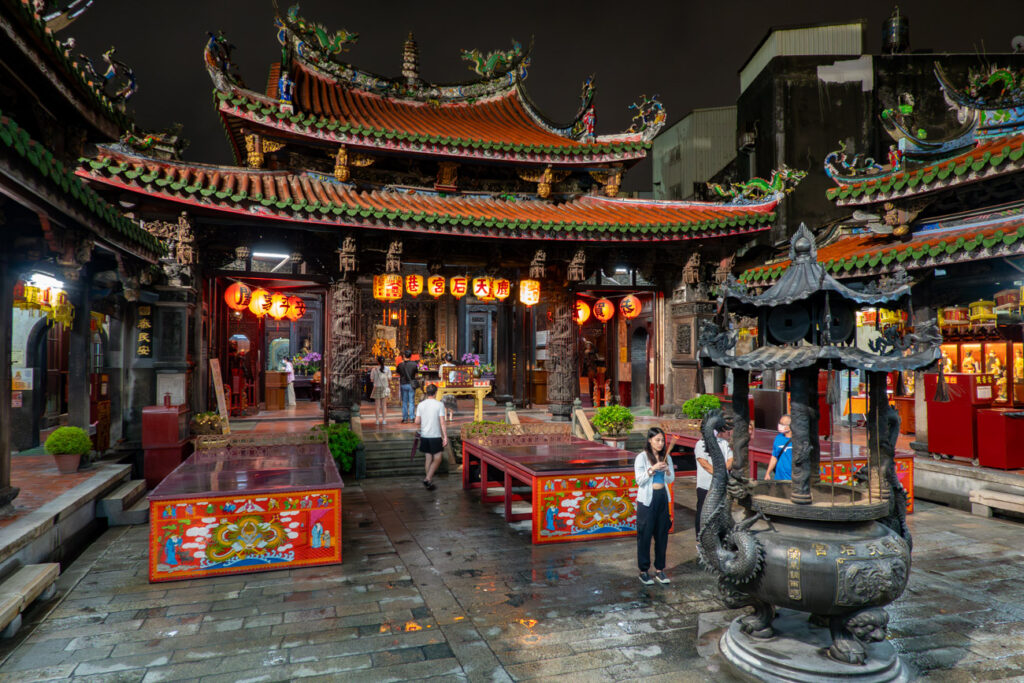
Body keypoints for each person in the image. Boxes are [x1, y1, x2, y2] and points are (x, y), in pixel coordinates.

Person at [634, 427, 676, 585]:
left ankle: (660, 570)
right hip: (647, 500)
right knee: (644, 535)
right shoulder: (642, 457)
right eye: (657, 440)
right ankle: (643, 571)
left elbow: (670, 480)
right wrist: (652, 469)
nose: (660, 443)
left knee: (662, 535)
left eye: (662, 440)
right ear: (650, 440)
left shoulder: (667, 457)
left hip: (662, 498)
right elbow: (639, 480)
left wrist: (666, 471)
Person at [694, 417, 734, 537]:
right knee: (703, 510)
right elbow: (704, 463)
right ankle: (700, 536)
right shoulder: (700, 444)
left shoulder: (723, 443)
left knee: (721, 510)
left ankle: (719, 534)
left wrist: (723, 472)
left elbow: (730, 459)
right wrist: (719, 473)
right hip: (705, 484)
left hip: (721, 484)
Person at [415, 384, 447, 490]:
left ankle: (428, 480)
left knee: (428, 457)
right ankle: (428, 478)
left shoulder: (421, 405)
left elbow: (417, 421)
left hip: (424, 434)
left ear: (426, 392)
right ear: (436, 393)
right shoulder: (439, 404)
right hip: (435, 434)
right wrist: (445, 436)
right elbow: (442, 422)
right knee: (438, 458)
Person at [765, 414, 793, 481]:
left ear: (790, 427)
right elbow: (774, 457)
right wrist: (767, 473)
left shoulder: (798, 441)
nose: (780, 425)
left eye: (782, 424)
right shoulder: (778, 438)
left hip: (792, 478)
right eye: (779, 423)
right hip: (779, 477)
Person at [396, 348, 419, 423]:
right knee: (412, 401)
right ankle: (412, 418)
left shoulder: (400, 365)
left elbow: (398, 373)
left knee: (405, 401)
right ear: (411, 356)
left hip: (403, 383)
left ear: (403, 356)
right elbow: (416, 373)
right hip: (411, 384)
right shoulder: (414, 364)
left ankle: (405, 418)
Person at [369, 357, 391, 426]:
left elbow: (371, 380)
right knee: (384, 405)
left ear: (377, 361)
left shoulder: (374, 369)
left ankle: (377, 420)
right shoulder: (387, 369)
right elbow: (390, 378)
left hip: (377, 387)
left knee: (377, 405)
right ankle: (384, 420)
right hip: (385, 388)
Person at [438, 352, 457, 421]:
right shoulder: (454, 366)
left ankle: (445, 416)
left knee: (445, 400)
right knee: (451, 400)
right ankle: (451, 416)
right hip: (451, 385)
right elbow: (455, 376)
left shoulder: (442, 366)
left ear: (445, 359)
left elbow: (440, 375)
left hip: (444, 385)